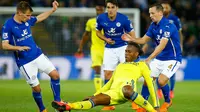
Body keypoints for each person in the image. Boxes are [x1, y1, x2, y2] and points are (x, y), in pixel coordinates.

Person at [51, 42, 159, 112]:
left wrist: (156, 105)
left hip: (127, 90)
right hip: (113, 93)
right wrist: (94, 94)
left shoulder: (142, 65)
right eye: (125, 51)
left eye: (129, 52)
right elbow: (109, 83)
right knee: (94, 100)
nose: (126, 54)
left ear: (136, 54)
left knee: (126, 89)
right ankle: (68, 106)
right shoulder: (120, 65)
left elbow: (150, 85)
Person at [1, 1, 62, 112]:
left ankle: (58, 103)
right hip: (25, 62)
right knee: (37, 88)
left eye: (30, 15)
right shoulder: (8, 25)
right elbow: (4, 45)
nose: (29, 18)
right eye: (27, 15)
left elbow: (39, 18)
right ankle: (42, 109)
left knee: (55, 75)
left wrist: (52, 10)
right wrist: (18, 48)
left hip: (38, 55)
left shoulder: (27, 21)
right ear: (19, 12)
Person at [122, 3, 182, 112]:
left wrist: (149, 58)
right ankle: (144, 105)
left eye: (152, 13)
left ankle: (168, 101)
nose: (150, 15)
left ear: (160, 13)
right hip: (159, 59)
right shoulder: (153, 25)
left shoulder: (169, 25)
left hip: (173, 58)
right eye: (149, 13)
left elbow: (162, 45)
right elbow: (144, 40)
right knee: (147, 79)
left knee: (162, 81)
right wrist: (132, 39)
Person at [96, 0, 137, 110]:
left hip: (123, 48)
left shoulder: (124, 19)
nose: (110, 9)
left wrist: (130, 43)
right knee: (108, 74)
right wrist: (105, 39)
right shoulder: (101, 18)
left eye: (112, 7)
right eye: (108, 7)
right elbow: (98, 32)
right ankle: (109, 103)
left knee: (128, 73)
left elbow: (132, 34)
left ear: (116, 8)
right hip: (109, 49)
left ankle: (134, 99)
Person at [155, 2, 184, 99]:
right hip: (161, 49)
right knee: (158, 71)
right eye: (163, 7)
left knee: (171, 72)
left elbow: (180, 33)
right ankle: (159, 90)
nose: (165, 9)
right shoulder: (157, 19)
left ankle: (171, 90)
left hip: (172, 50)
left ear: (170, 9)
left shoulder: (175, 19)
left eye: (166, 7)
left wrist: (181, 44)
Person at [76, 3, 105, 92]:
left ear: (104, 10)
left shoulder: (109, 21)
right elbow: (86, 35)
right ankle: (99, 92)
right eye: (97, 10)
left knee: (109, 72)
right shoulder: (91, 22)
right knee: (97, 69)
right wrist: (80, 47)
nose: (98, 11)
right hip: (95, 49)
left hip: (108, 49)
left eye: (100, 10)